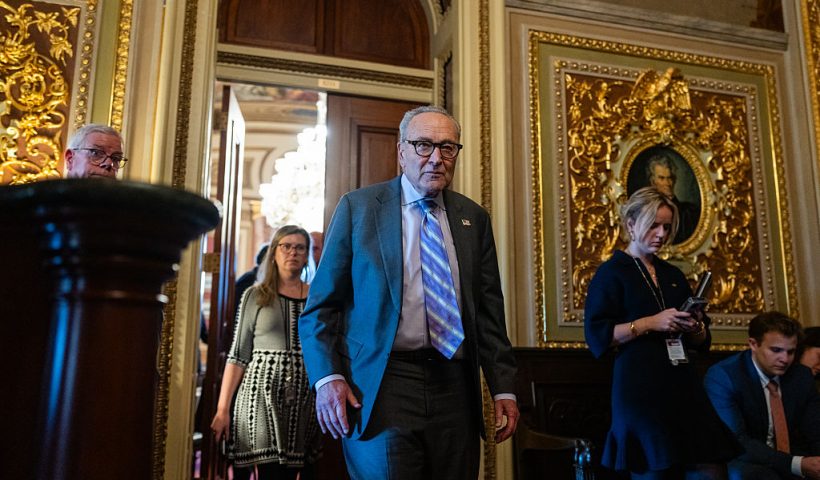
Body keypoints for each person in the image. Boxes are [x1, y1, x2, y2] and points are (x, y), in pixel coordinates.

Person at [298, 105, 519, 479]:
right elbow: (320, 309)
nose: (436, 158)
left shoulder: (473, 219)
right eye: (423, 145)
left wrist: (504, 389)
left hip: (455, 387)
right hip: (383, 385)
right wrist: (327, 378)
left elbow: (488, 314)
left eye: (447, 148)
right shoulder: (360, 208)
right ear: (401, 152)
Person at [584, 186, 740, 479]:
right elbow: (598, 335)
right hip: (639, 386)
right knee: (655, 469)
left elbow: (701, 340)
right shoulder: (612, 272)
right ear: (631, 224)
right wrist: (649, 323)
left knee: (711, 467)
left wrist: (694, 327)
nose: (661, 234)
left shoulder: (673, 274)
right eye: (653, 225)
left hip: (682, 382)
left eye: (667, 227)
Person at [211, 225, 321, 479]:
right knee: (270, 472)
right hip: (260, 396)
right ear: (274, 252)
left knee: (303, 469)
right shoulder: (255, 295)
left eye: (300, 247)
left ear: (307, 256)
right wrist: (222, 408)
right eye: (286, 246)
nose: (292, 252)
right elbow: (238, 354)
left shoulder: (317, 296)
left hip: (304, 399)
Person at [704, 312, 820, 479]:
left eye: (790, 352)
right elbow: (737, 441)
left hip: (795, 457)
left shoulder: (801, 376)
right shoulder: (724, 376)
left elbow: (815, 430)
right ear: (753, 344)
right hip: (746, 459)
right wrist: (796, 464)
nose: (784, 359)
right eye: (776, 350)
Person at [646, 154, 698, 244]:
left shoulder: (688, 213)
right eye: (662, 178)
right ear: (653, 181)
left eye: (669, 178)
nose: (667, 183)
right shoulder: (644, 210)